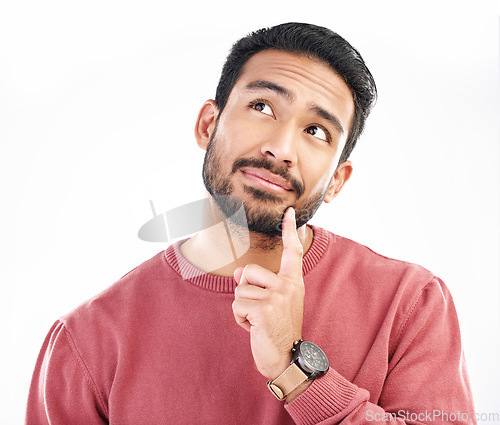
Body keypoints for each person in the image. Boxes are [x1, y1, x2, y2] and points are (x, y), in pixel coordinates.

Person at [25, 22, 475, 424]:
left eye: (316, 131)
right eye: (262, 106)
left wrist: (296, 372)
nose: (281, 147)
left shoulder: (410, 304)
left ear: (337, 180)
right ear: (208, 123)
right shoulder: (86, 340)